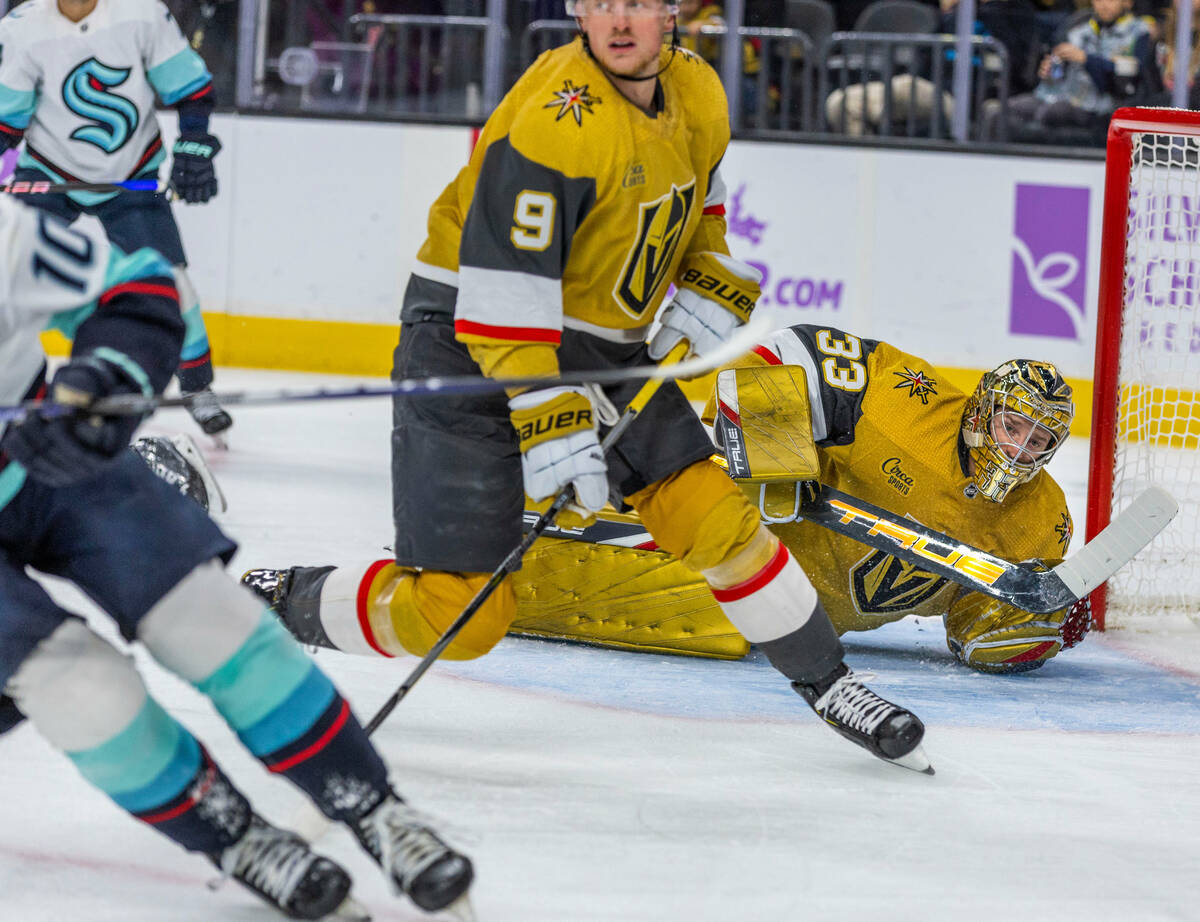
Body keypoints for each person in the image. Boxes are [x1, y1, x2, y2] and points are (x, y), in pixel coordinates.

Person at [244, 0, 933, 774]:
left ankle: (830, 682)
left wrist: (708, 277)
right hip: (468, 343)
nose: (618, 18)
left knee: (712, 518)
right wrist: (554, 427)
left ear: (672, 9)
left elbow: (696, 211)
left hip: (600, 346)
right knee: (463, 615)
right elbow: (505, 311)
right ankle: (276, 600)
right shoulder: (552, 121)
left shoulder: (700, 91)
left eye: (637, 0)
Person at [0, 197, 472, 918]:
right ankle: (238, 841)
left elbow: (136, 287)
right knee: (77, 687)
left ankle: (375, 808)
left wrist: (105, 380)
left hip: (44, 462)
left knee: (208, 617)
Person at [502, 324, 1094, 674]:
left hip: (790, 620)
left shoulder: (1042, 524)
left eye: (1038, 440)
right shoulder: (904, 403)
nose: (1019, 450)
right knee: (591, 549)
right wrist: (771, 452)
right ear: (983, 411)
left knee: (681, 616)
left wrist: (1030, 627)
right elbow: (784, 353)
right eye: (1012, 427)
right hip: (737, 536)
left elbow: (971, 632)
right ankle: (515, 519)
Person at [0, 0, 234, 437]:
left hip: (132, 173)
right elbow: (6, 123)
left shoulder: (142, 13)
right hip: (49, 171)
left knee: (172, 281)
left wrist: (195, 144)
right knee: (5, 266)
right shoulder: (21, 28)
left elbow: (191, 90)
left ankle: (198, 388)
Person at [981, 0, 1160, 144]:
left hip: (1097, 105)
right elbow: (1057, 71)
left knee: (1050, 114)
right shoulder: (1078, 27)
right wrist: (1051, 70)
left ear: (1128, 3)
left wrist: (1086, 59)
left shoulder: (1139, 33)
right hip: (1057, 95)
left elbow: (1126, 81)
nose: (1104, 4)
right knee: (994, 110)